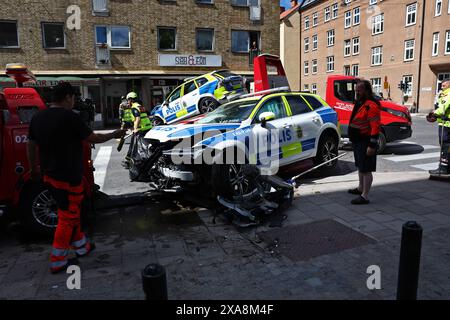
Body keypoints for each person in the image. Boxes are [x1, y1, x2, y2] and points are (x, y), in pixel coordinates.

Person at [27, 82, 126, 274]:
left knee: (72, 212)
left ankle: (81, 246)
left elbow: (30, 145)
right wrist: (115, 133)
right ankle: (57, 260)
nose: (73, 102)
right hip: (69, 176)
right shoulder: (69, 117)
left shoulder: (37, 117)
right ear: (67, 98)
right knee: (67, 217)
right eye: (73, 98)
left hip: (50, 175)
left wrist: (33, 169)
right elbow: (94, 138)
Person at [347, 80, 381, 205]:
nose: (357, 92)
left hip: (365, 141)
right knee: (360, 166)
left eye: (359, 90)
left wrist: (372, 145)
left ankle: (365, 196)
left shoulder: (371, 105)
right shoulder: (361, 103)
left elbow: (375, 126)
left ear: (366, 90)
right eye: (356, 90)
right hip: (358, 140)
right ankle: (360, 188)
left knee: (366, 169)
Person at [427, 80, 450, 175]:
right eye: (441, 85)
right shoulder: (442, 94)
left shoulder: (448, 94)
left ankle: (444, 168)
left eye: (444, 85)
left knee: (445, 145)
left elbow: (445, 106)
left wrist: (434, 113)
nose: (442, 87)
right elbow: (440, 106)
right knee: (446, 145)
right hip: (443, 123)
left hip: (447, 124)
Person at [125, 92, 152, 166]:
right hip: (147, 128)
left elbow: (138, 118)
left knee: (134, 145)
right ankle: (129, 160)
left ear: (131, 100)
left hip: (141, 129)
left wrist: (135, 129)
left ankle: (130, 161)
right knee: (143, 145)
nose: (128, 102)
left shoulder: (134, 107)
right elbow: (148, 115)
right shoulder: (141, 106)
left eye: (128, 100)